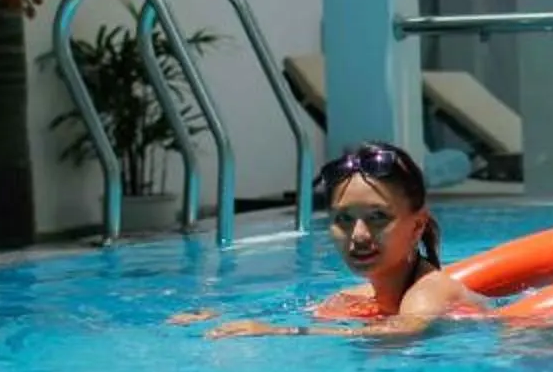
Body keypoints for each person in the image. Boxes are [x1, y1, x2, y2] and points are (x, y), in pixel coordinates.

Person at [189, 140, 488, 337]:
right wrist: (221, 314)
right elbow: (304, 309)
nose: (358, 236)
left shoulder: (428, 292)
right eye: (343, 219)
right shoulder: (364, 294)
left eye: (378, 217)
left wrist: (278, 332)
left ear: (417, 225)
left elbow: (400, 333)